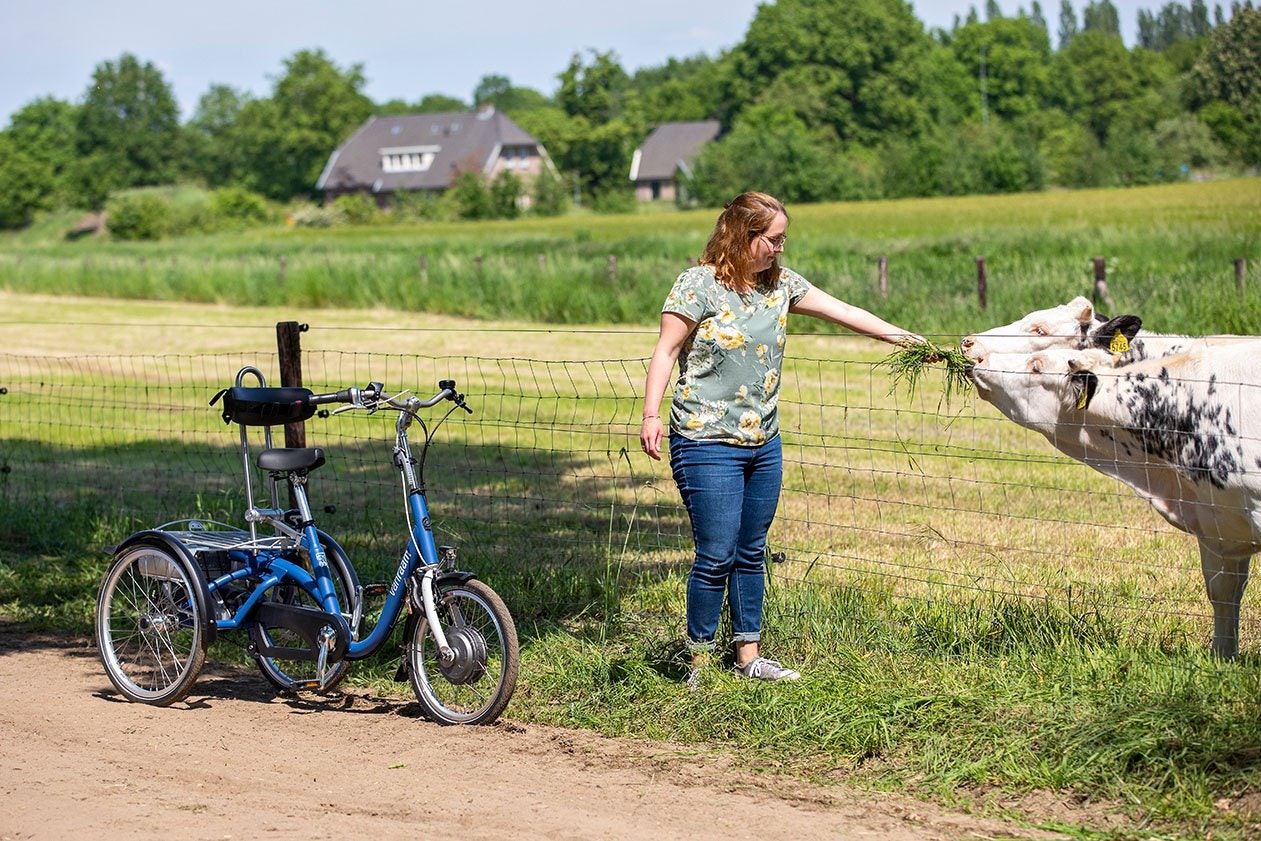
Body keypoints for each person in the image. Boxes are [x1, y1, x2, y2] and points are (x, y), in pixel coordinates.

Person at [639, 191, 931, 685]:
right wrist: (651, 413)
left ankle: (749, 658)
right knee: (716, 552)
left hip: (763, 442)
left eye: (782, 240)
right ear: (741, 235)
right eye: (771, 240)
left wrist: (906, 339)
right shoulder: (697, 286)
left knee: (752, 549)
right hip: (706, 440)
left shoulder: (782, 286)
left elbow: (846, 312)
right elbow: (666, 352)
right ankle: (696, 662)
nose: (779, 249)